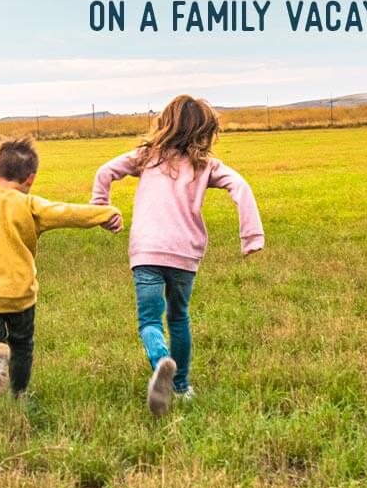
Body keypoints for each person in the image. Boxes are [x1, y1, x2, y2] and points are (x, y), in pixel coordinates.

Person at [92, 95, 263, 417]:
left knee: (149, 319)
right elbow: (240, 187)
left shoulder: (146, 156)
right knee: (179, 316)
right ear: (205, 129)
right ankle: (181, 386)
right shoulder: (206, 165)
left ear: (165, 124)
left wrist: (102, 209)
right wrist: (251, 236)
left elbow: (105, 172)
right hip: (185, 253)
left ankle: (160, 361)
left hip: (147, 250)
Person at [0, 136, 122, 398]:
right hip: (21, 295)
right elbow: (67, 213)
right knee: (22, 346)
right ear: (30, 178)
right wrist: (105, 213)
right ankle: (19, 394)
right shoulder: (30, 205)